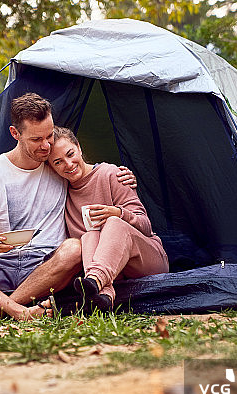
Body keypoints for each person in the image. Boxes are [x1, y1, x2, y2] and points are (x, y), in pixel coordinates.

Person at [0, 93, 134, 320]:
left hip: (45, 266)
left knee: (75, 247)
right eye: (36, 140)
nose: (46, 146)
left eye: (49, 135)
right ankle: (18, 310)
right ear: (15, 134)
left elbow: (87, 171)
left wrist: (120, 174)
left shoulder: (58, 166)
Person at [49, 126, 169, 312]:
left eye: (70, 154)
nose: (68, 164)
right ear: (52, 168)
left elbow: (145, 226)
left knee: (113, 223)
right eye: (58, 162)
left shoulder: (111, 174)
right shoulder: (60, 193)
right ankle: (103, 297)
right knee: (88, 236)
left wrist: (119, 213)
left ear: (79, 147)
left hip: (147, 260)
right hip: (115, 274)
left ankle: (95, 281)